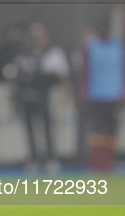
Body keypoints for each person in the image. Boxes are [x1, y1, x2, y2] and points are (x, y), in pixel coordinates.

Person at [11, 23, 70, 172]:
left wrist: (64, 95)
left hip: (45, 95)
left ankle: (51, 158)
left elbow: (62, 75)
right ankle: (33, 159)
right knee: (30, 129)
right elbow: (15, 72)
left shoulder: (54, 53)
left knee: (48, 127)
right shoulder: (25, 53)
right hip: (27, 95)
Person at [79, 25, 124, 171]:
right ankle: (96, 163)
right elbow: (84, 71)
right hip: (96, 96)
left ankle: (108, 163)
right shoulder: (91, 46)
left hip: (114, 96)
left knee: (111, 130)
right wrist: (84, 93)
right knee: (96, 131)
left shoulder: (118, 46)